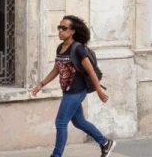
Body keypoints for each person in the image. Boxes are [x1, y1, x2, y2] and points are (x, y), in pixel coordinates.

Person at [32, 15, 115, 157]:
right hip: (67, 90)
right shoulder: (60, 48)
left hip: (76, 91)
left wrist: (99, 91)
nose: (60, 31)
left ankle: (56, 155)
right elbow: (56, 69)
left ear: (72, 31)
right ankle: (105, 143)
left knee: (60, 122)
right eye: (59, 27)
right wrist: (41, 84)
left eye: (64, 28)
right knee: (79, 122)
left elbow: (91, 72)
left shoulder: (78, 49)